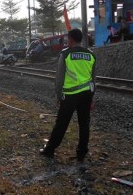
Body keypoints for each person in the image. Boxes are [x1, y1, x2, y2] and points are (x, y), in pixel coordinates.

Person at [39, 28, 96, 163]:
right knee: (84, 124)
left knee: (61, 124)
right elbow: (93, 79)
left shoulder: (66, 55)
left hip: (70, 95)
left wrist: (59, 96)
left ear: (70, 39)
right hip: (87, 94)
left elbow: (59, 78)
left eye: (67, 39)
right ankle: (82, 152)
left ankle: (50, 150)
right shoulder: (91, 55)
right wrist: (91, 97)